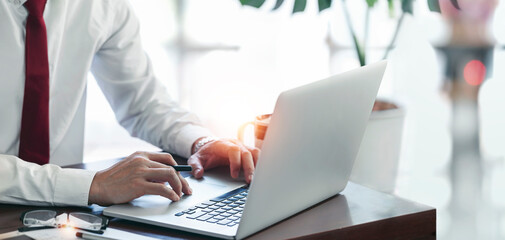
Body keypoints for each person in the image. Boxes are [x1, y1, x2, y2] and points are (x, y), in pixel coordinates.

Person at [0, 0, 259, 207]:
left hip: (66, 213)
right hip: (59, 197)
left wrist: (202, 142)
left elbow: (144, 103)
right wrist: (94, 185)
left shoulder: (102, 6)